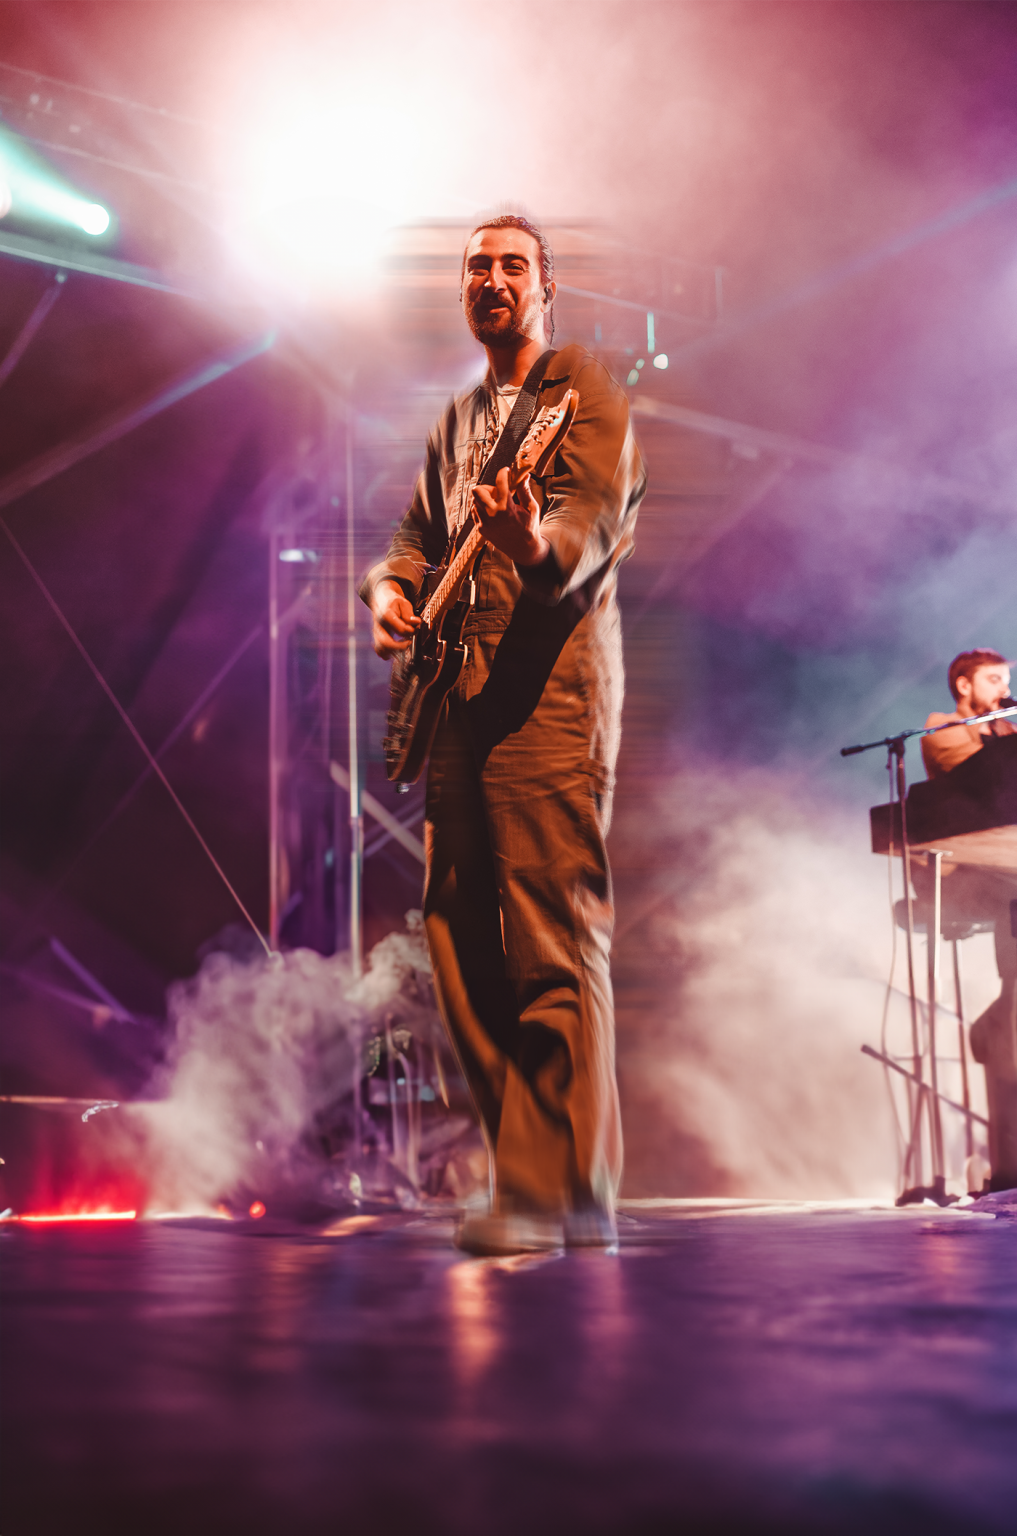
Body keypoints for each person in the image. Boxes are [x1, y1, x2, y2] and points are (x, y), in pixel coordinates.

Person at [359, 214, 646, 1253]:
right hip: (459, 701)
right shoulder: (459, 419)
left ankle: (555, 1191)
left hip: (547, 694)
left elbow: (588, 527)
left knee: (550, 938)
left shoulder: (586, 392)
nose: (492, 278)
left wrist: (531, 539)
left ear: (545, 289)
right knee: (453, 931)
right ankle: (538, 1177)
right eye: (476, 265)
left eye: (512, 265)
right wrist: (388, 590)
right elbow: (412, 536)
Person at [919, 648, 1017, 1190]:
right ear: (964, 685)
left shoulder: (1006, 729)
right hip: (964, 871)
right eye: (993, 679)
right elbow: (982, 785)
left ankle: (1002, 1016)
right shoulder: (943, 729)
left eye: (1007, 679)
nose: (1005, 688)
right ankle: (1000, 1023)